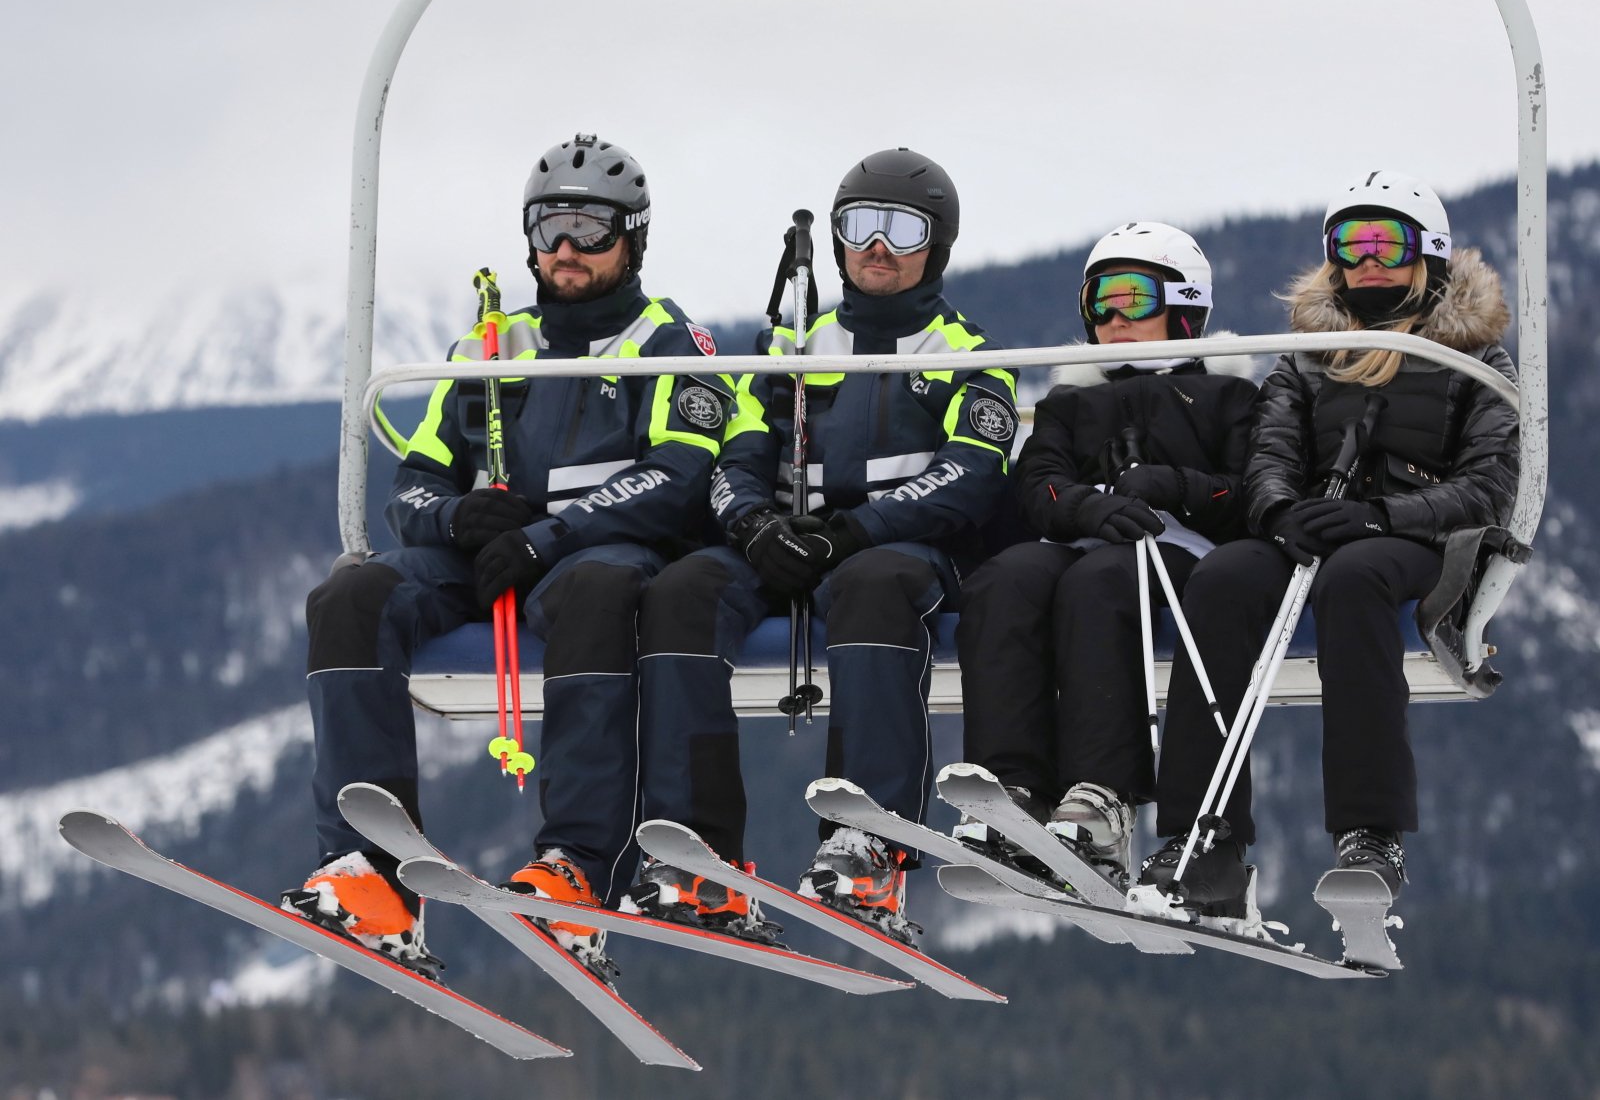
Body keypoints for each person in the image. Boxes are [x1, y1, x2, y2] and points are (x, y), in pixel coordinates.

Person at [281, 134, 727, 972]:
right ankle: (369, 871)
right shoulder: (491, 348)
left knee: (597, 590)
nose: (566, 250)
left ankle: (578, 870)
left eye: (591, 230)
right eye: (550, 228)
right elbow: (412, 486)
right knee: (351, 598)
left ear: (632, 238)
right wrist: (460, 522)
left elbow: (678, 475)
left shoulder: (673, 344)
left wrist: (547, 535)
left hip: (601, 554)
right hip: (491, 558)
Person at [628, 148, 1019, 944]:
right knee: (682, 593)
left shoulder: (965, 353)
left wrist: (857, 531)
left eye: (901, 230)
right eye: (860, 226)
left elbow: (970, 474)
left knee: (874, 585)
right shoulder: (790, 349)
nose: (878, 247)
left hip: (895, 550)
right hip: (785, 545)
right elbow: (732, 459)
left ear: (934, 247)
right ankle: (697, 851)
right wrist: (754, 528)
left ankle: (868, 841)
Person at [1136, 171, 1519, 919]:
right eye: (1350, 244)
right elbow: (1269, 454)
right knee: (1218, 579)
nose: (1366, 260)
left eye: (1385, 243)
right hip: (1315, 524)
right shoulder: (1308, 359)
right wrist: (1279, 514)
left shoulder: (1476, 363)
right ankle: (1201, 839)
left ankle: (1369, 834)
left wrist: (1386, 514)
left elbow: (1490, 483)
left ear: (1429, 257)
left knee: (1355, 578)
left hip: (1416, 539)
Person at [953, 222, 1260, 884]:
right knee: (1005, 579)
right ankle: (1012, 787)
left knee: (1100, 583)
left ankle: (1103, 796)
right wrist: (1087, 507)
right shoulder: (1075, 398)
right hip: (1084, 540)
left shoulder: (1228, 394)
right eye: (1098, 302)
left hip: (1182, 553)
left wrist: (1176, 488)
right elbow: (1040, 482)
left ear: (1184, 306)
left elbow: (1249, 491)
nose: (1113, 318)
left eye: (1133, 298)